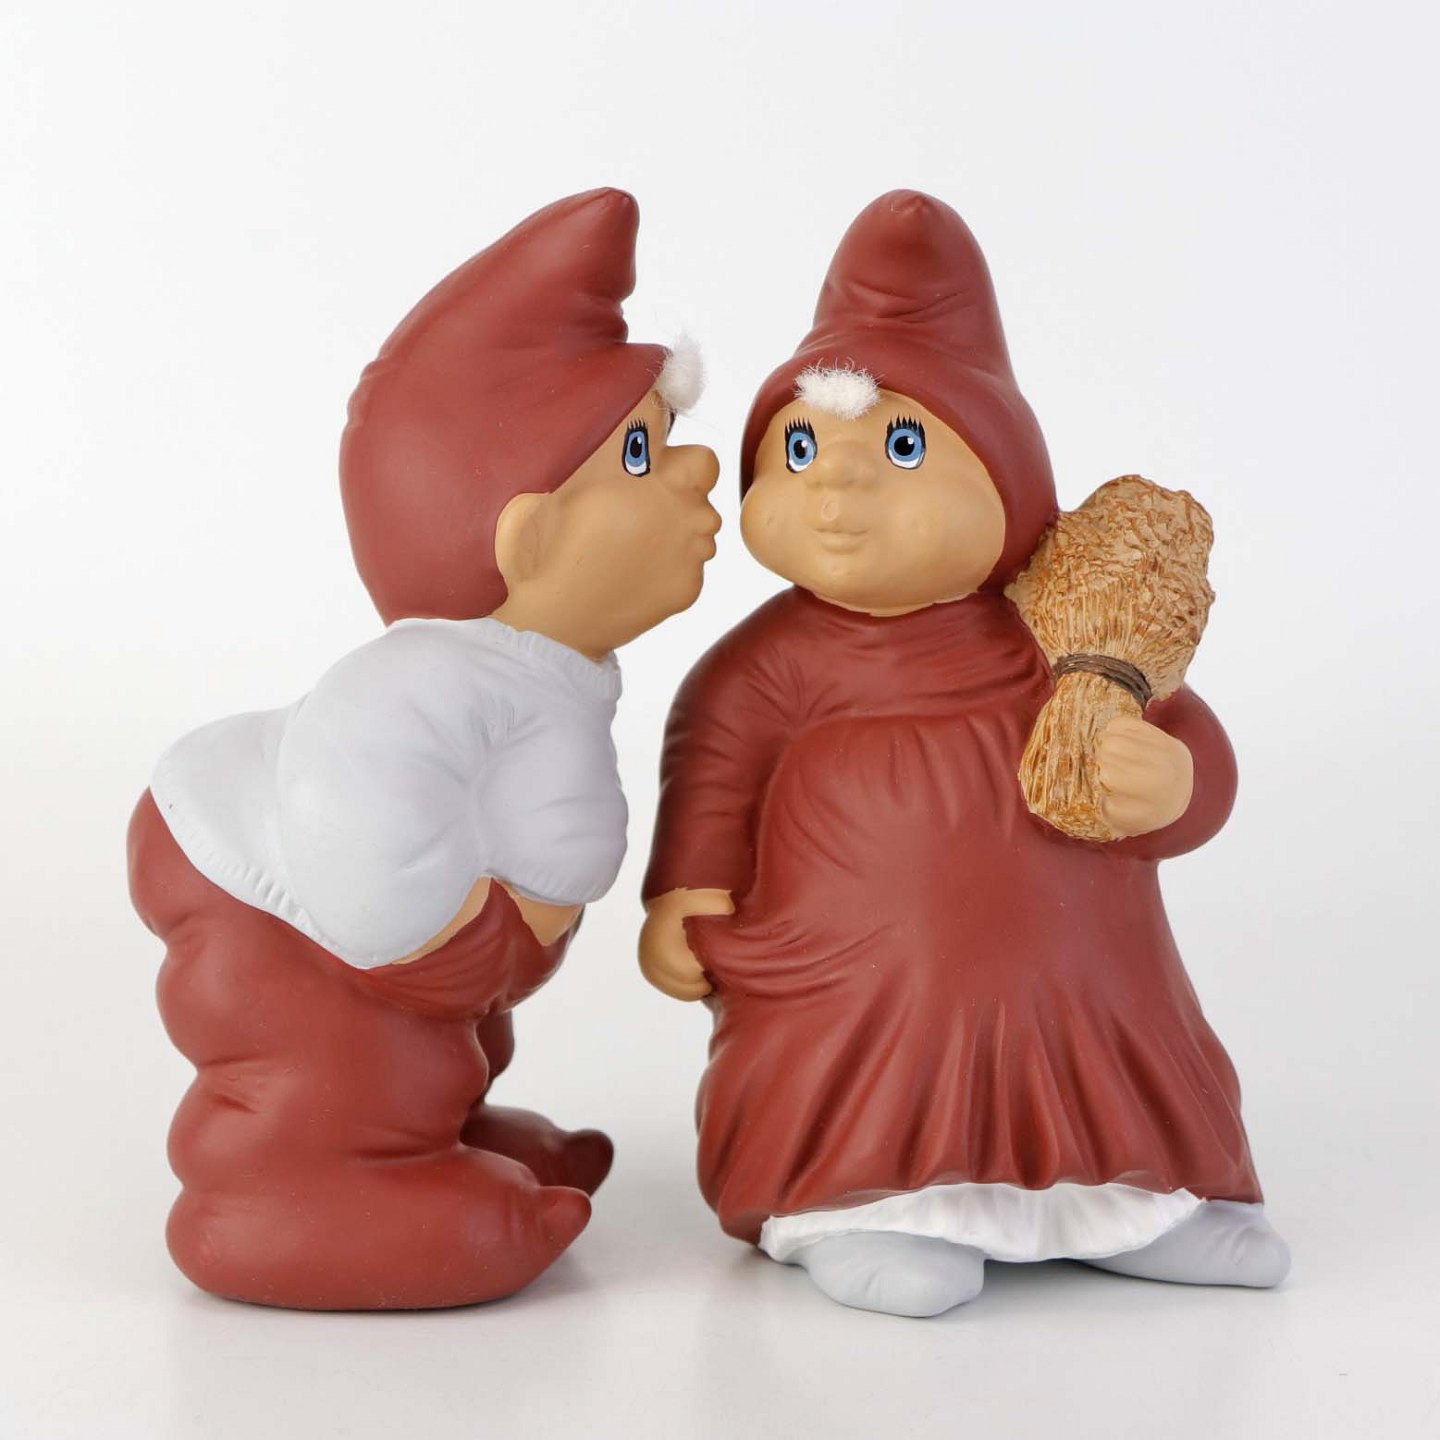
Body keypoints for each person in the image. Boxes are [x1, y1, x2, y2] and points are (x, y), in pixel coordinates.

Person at [641, 190, 1289, 1318]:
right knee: (867, 1088)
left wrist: (1176, 783)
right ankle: (859, 1206)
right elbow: (713, 768)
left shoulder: (1067, 631)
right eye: (800, 448)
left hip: (1077, 972)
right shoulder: (768, 666)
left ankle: (1134, 1201)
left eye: (901, 446)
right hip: (850, 990)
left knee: (1101, 1076)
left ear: (1009, 482)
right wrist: (684, 891)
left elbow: (1183, 733)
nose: (835, 487)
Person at [129, 189, 720, 1310]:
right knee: (361, 1057)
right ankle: (288, 1191)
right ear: (527, 535)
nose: (694, 472)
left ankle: (432, 1135)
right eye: (641, 453)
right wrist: (461, 952)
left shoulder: (536, 670)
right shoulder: (411, 685)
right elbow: (353, 838)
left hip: (424, 944)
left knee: (450, 1048)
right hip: (287, 920)